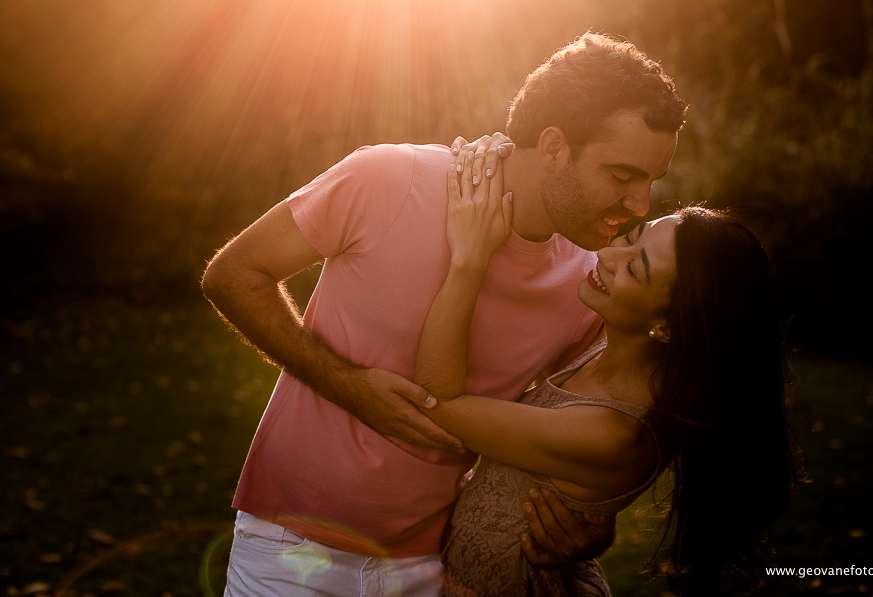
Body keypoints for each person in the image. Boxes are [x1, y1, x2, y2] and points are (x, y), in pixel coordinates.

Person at [201, 33, 687, 596]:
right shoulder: (390, 178)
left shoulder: (592, 286)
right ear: (553, 148)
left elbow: (587, 428)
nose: (639, 206)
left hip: (435, 566)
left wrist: (592, 522)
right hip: (288, 552)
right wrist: (348, 384)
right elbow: (232, 275)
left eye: (650, 182)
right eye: (622, 175)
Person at [417, 160, 797, 596]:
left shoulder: (611, 432)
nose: (609, 255)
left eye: (635, 269)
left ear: (668, 326)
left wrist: (469, 256)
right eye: (632, 237)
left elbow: (437, 402)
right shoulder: (615, 346)